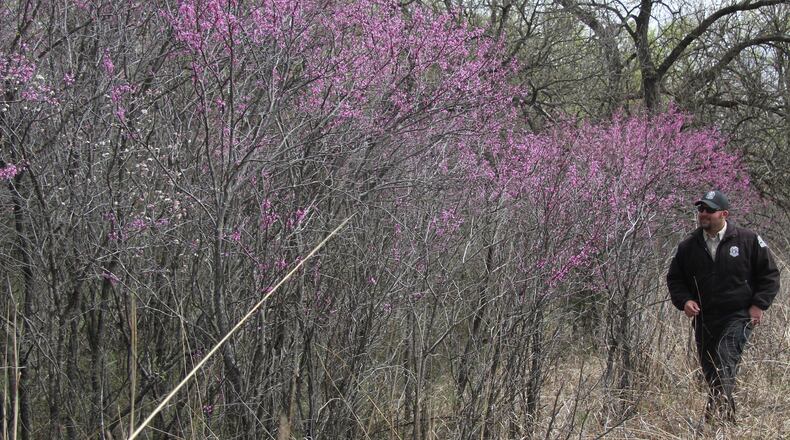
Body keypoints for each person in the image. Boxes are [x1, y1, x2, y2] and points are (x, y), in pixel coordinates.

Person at [667, 190, 780, 424]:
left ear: (724, 213)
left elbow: (770, 275)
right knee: (711, 370)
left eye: (709, 210)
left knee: (724, 358)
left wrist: (759, 305)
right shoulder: (689, 246)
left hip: (738, 315)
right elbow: (675, 279)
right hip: (705, 318)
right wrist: (685, 301)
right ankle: (726, 420)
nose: (704, 214)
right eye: (701, 210)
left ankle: (712, 420)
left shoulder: (747, 239)